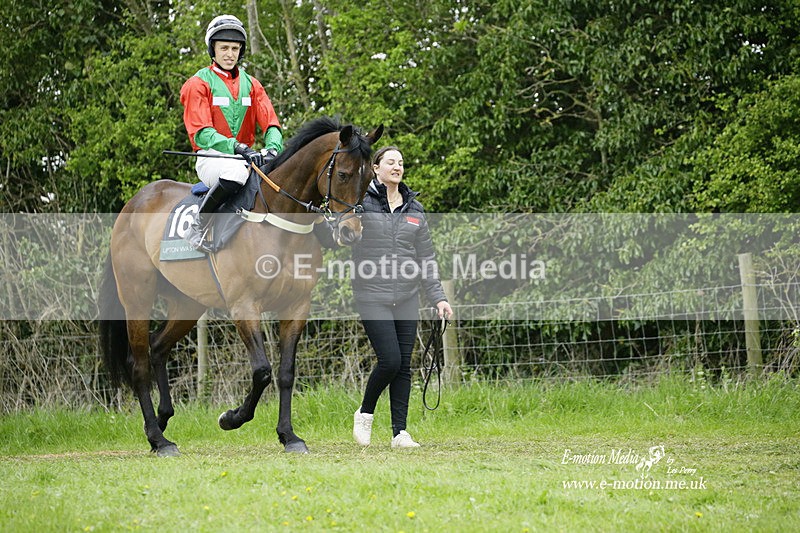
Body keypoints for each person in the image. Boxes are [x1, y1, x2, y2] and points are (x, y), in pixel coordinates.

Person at [351, 146, 453, 448]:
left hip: (407, 295)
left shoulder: (415, 209)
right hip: (372, 293)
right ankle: (365, 413)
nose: (397, 166)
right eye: (390, 162)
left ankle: (400, 433)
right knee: (390, 360)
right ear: (376, 168)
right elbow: (341, 235)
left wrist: (439, 298)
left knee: (404, 365)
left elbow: (426, 259)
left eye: (401, 163)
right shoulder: (361, 203)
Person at [180, 14, 283, 252]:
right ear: (212, 50)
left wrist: (272, 149)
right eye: (224, 48)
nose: (229, 54)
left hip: (248, 158)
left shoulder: (253, 84)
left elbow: (272, 125)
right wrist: (236, 147)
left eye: (235, 48)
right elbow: (201, 133)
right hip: (211, 157)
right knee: (236, 172)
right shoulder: (198, 83)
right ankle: (198, 226)